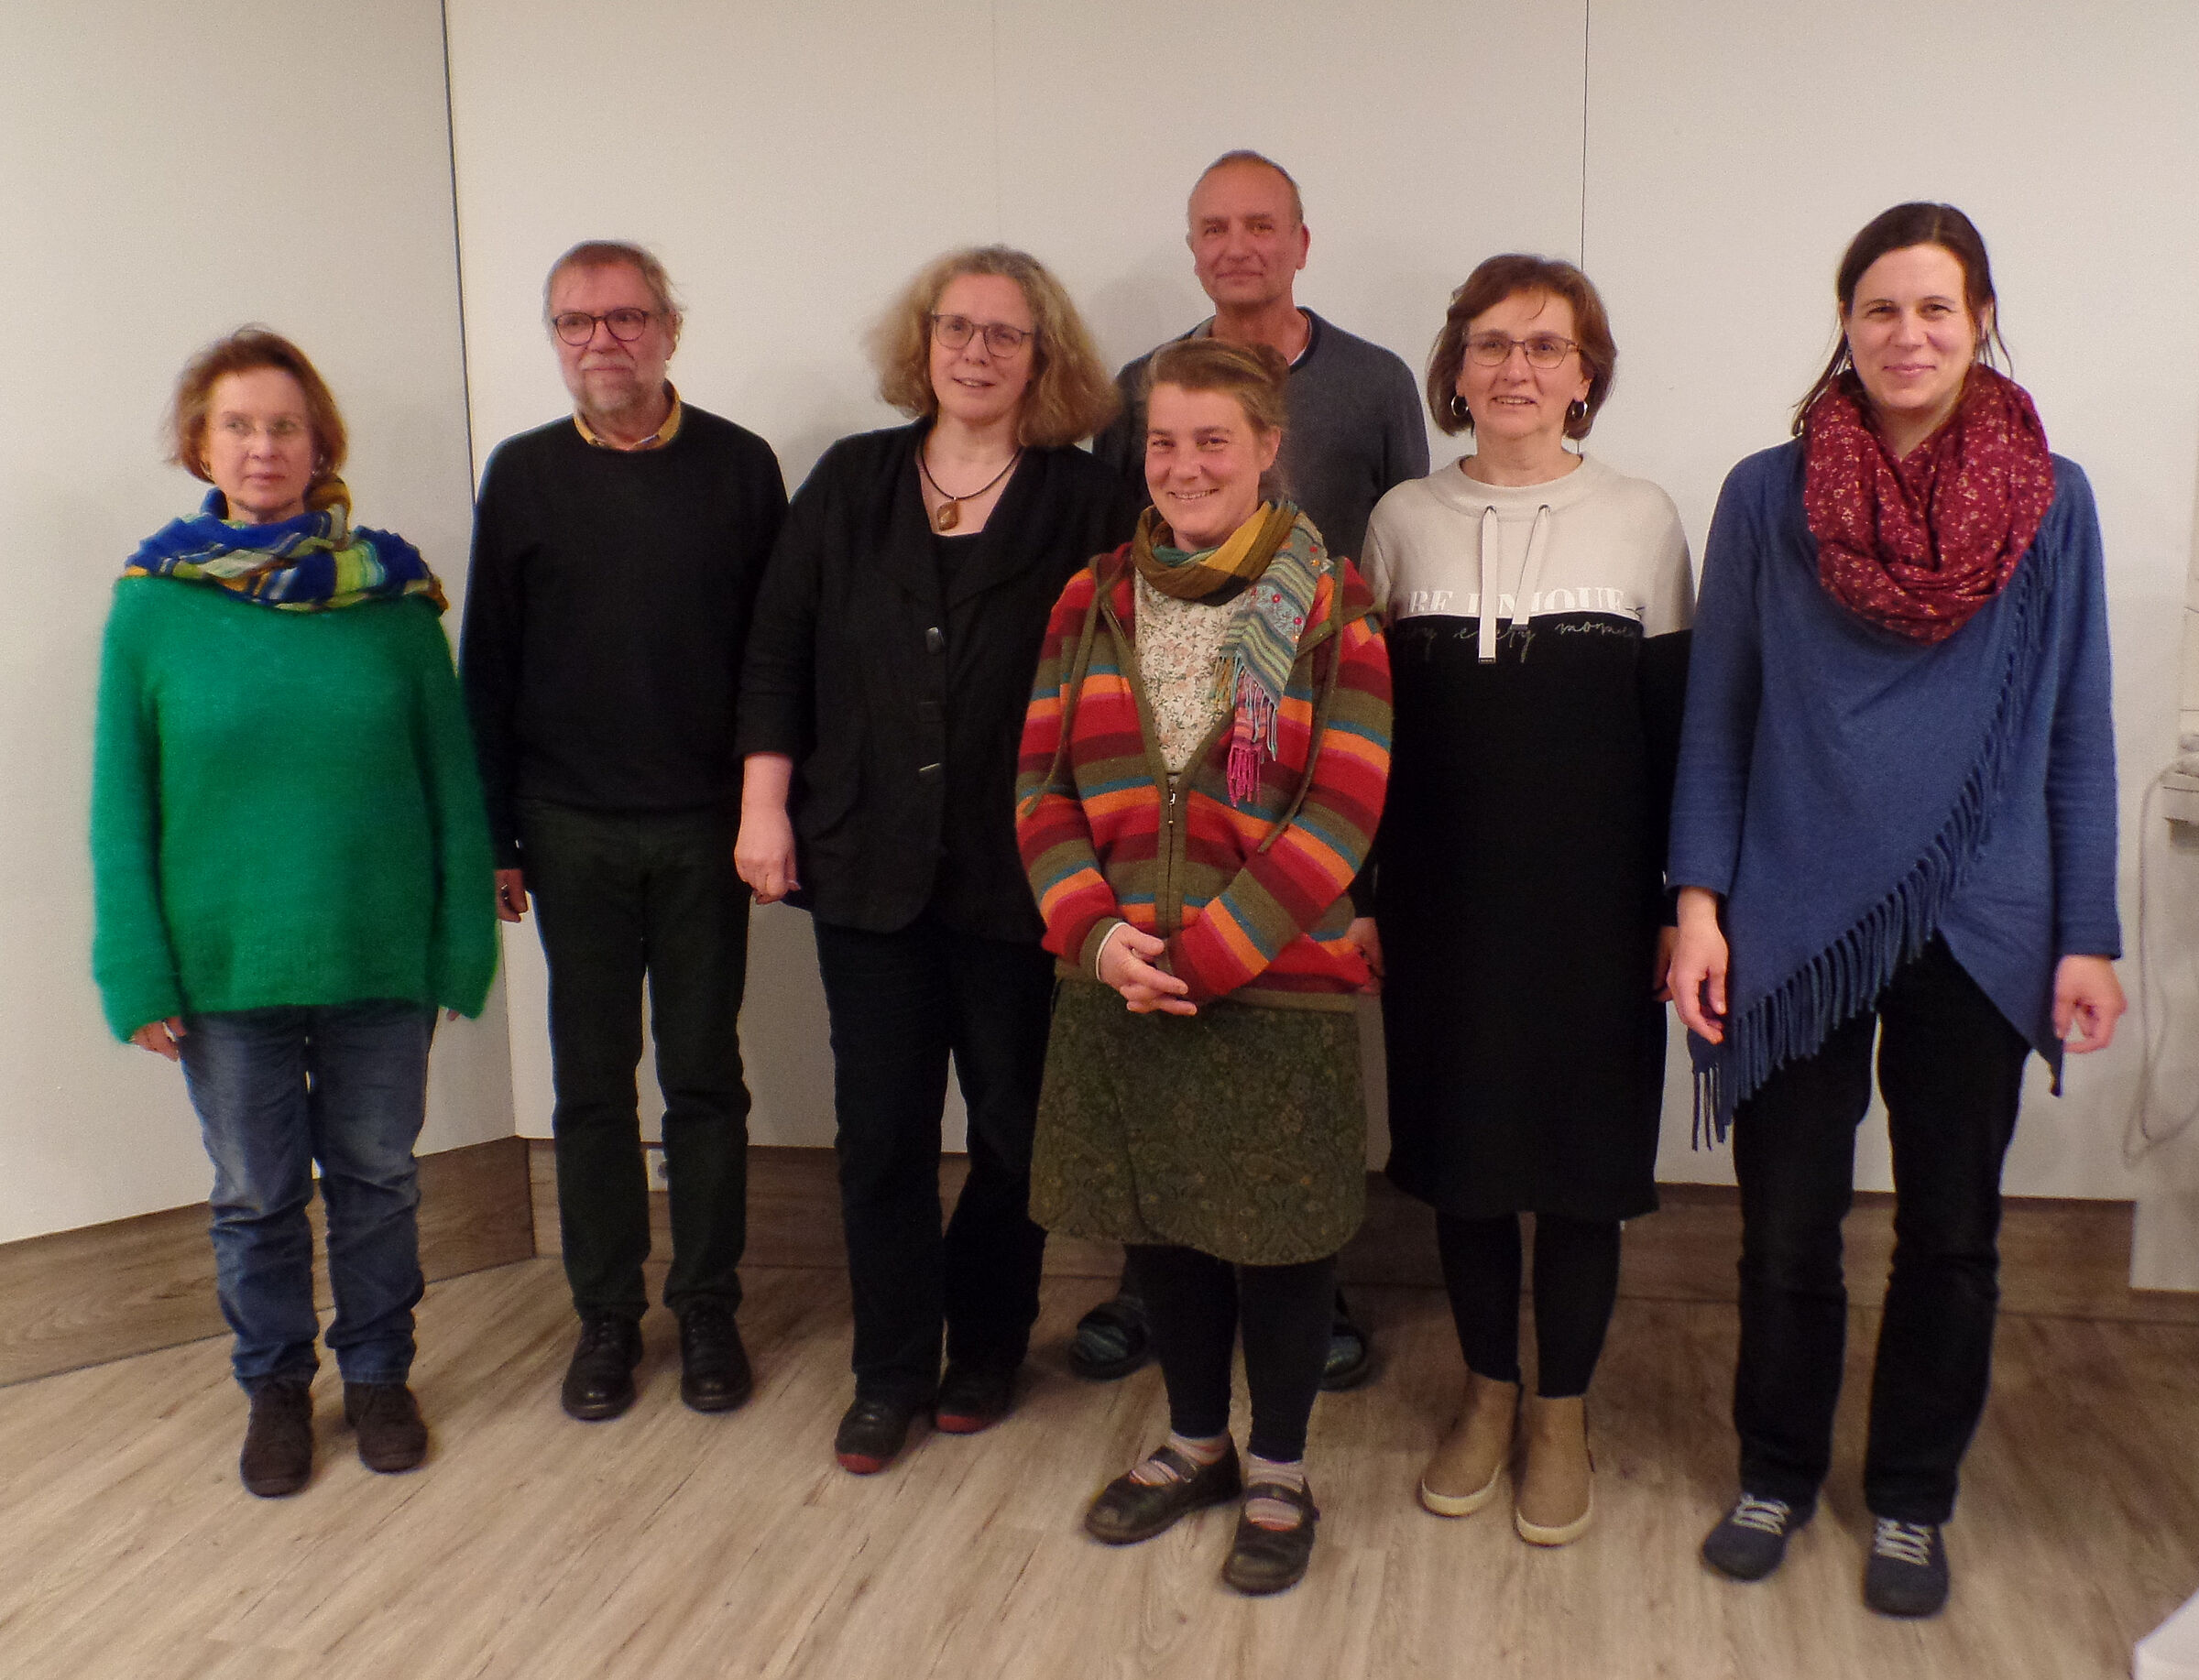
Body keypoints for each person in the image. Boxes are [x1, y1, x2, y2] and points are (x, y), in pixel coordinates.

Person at [1668, 202, 2126, 1619]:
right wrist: (1699, 907)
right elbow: (1721, 714)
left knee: (1954, 1231)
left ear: (1983, 317)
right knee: (1786, 1224)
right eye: (1880, 309)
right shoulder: (1768, 494)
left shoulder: (2056, 495)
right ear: (1845, 322)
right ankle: (1775, 1466)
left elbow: (2078, 731)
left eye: (1936, 308)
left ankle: (1914, 1496)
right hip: (1796, 908)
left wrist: (2089, 931)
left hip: (1987, 918)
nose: (1908, 335)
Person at [735, 246, 1132, 1474]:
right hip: (866, 864)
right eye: (956, 327)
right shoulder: (852, 480)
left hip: (1029, 872)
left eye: (1004, 334)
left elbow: (1127, 676)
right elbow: (776, 650)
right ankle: (890, 1367)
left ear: (1043, 358)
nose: (974, 351)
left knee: (1018, 1128)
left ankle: (989, 1340)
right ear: (924, 343)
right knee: (883, 1131)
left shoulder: (1087, 496)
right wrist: (764, 806)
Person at [93, 328, 498, 1497]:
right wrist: (137, 971)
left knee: (378, 1179)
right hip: (222, 966)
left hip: (378, 951)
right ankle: (276, 1388)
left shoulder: (393, 597)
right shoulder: (154, 606)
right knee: (256, 1194)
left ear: (319, 441)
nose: (262, 445)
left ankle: (378, 1374)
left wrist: (460, 944)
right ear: (199, 444)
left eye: (283, 424)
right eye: (238, 424)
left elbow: (450, 786)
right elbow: (123, 802)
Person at [1018, 337, 1392, 1595]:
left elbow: (1343, 809)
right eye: (1163, 441)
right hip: (1120, 975)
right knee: (1166, 1229)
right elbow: (1039, 787)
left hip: (1273, 984)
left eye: (1212, 439)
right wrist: (1099, 935)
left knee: (1279, 1242)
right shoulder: (1091, 599)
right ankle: (1195, 1442)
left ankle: (1279, 1467)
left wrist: (1213, 952)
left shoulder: (1335, 604)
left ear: (1268, 445)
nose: (1183, 464)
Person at [1359, 256, 1693, 1546]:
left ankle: (1563, 1412)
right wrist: (1364, 894)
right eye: (1492, 343)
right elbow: (1366, 746)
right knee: (1471, 1169)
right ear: (1455, 367)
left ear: (1586, 374)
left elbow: (1675, 737)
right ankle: (1486, 1396)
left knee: (1586, 1170)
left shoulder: (1646, 518)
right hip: (1446, 908)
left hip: (1600, 911)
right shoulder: (1398, 521)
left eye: (1547, 347)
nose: (1516, 368)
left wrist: (1682, 902)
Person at [1082, 147, 1428, 1388]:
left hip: (1305, 770)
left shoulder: (1378, 383)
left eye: (1260, 225)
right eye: (1213, 227)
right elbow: (1119, 584)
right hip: (1156, 780)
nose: (1237, 245)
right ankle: (1150, 1288)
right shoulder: (1141, 384)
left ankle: (1305, 1290)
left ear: (1301, 240)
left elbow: (1403, 569)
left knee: (1286, 1085)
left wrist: (1366, 877)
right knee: (1154, 1063)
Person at [460, 242, 787, 1424]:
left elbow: (776, 656)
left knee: (705, 1077)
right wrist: (495, 833)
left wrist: (770, 807)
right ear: (552, 339)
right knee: (592, 1083)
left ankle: (707, 1302)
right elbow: (484, 666)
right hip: (567, 828)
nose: (602, 341)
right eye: (575, 323)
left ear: (670, 329)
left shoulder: (742, 467)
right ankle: (607, 1313)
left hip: (706, 828)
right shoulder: (526, 473)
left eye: (626, 318)